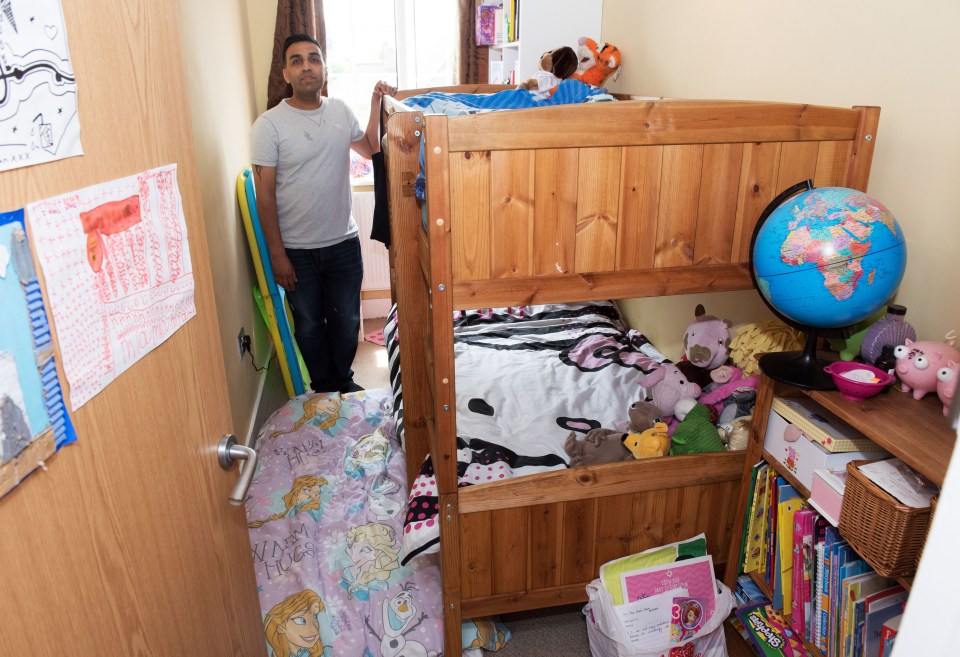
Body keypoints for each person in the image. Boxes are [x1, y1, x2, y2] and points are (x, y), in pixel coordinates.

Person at [251, 34, 396, 394]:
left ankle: (342, 379)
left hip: (343, 243)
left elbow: (369, 149)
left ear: (324, 69)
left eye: (313, 59)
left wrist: (376, 102)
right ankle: (323, 387)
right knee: (310, 325)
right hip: (296, 250)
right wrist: (278, 255)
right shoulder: (268, 126)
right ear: (286, 73)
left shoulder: (340, 111)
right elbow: (264, 199)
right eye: (297, 61)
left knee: (347, 322)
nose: (306, 66)